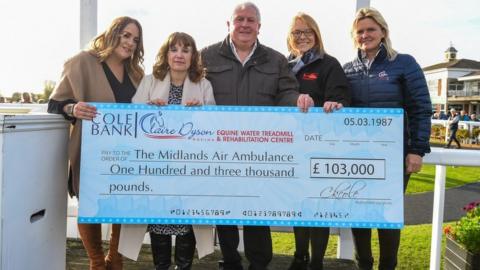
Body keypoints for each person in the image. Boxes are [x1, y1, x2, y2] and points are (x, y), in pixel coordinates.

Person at [201, 2, 314, 270]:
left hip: (259, 152)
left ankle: (259, 262)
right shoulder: (205, 56)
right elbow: (191, 88)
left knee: (257, 209)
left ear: (259, 27)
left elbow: (286, 92)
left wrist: (297, 98)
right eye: (239, 19)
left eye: (250, 20)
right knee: (223, 208)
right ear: (229, 24)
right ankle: (230, 259)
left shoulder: (275, 60)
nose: (245, 24)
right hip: (218, 150)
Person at [48, 16, 144, 270]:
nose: (130, 43)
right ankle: (97, 263)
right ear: (112, 33)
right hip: (92, 151)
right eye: (126, 35)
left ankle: (116, 259)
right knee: (90, 204)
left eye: (135, 39)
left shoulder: (136, 73)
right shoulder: (81, 62)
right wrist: (73, 107)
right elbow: (54, 103)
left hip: (127, 152)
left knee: (122, 204)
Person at [343, 8, 431, 270]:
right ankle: (364, 265)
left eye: (371, 29)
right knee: (359, 213)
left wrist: (417, 150)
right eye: (360, 31)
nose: (365, 35)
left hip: (394, 157)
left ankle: (388, 266)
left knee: (386, 214)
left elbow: (421, 108)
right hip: (358, 156)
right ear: (354, 36)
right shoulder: (347, 69)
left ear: (383, 32)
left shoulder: (404, 63)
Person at [131, 32, 215, 270]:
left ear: (193, 56)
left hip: (189, 169)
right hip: (156, 168)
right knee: (159, 220)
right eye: (174, 49)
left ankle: (184, 267)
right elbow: (132, 118)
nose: (179, 55)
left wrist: (203, 113)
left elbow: (216, 125)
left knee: (187, 222)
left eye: (186, 50)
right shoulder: (149, 82)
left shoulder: (204, 85)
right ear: (166, 54)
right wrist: (147, 110)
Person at [286, 12, 351, 270]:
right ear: (289, 38)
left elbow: (341, 98)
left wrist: (334, 104)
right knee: (299, 205)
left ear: (316, 35)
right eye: (296, 32)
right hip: (291, 147)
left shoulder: (329, 64)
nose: (302, 37)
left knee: (318, 206)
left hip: (321, 147)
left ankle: (316, 262)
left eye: (307, 32)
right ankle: (299, 255)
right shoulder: (285, 65)